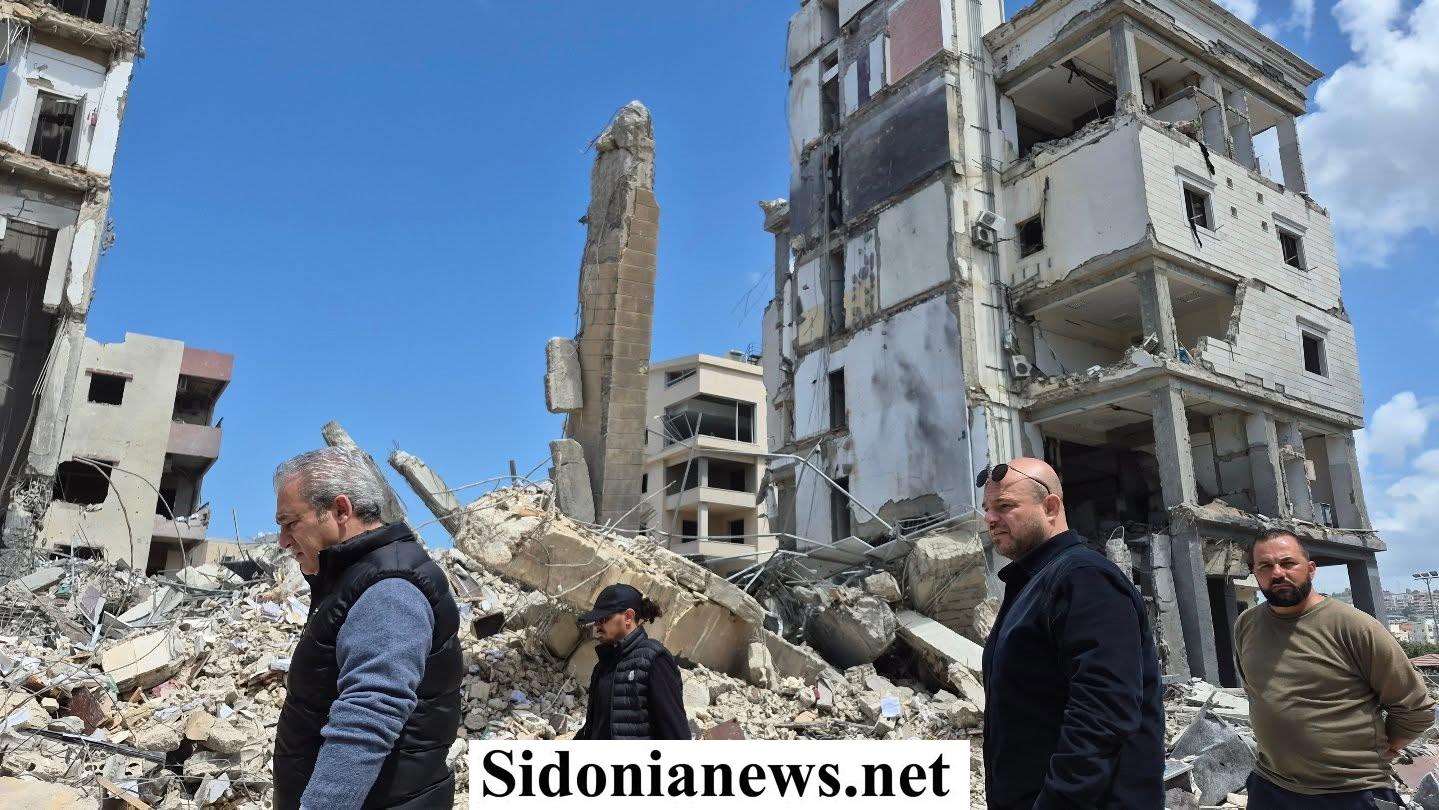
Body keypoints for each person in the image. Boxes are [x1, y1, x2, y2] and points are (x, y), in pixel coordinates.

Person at [269, 447, 462, 810]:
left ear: (341, 510)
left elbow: (368, 717)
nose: (283, 540)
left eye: (290, 522)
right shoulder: (358, 580)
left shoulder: (389, 589)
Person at [978, 457, 1163, 809]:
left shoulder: (1084, 578)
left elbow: (1102, 713)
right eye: (987, 509)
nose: (990, 518)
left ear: (1050, 507)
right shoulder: (1034, 584)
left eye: (1004, 506)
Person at [1235, 529, 1434, 808]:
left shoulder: (1355, 627)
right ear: (1255, 573)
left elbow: (1415, 709)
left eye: (1288, 563)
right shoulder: (1246, 625)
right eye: (1265, 566)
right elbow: (1256, 693)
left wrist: (1383, 747)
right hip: (1271, 786)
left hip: (1351, 790)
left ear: (1311, 569)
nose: (1277, 573)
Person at [575, 583, 690, 740]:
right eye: (596, 620)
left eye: (603, 618)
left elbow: (676, 734)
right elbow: (594, 727)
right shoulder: (603, 666)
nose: (597, 625)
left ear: (628, 616)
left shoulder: (654, 660)